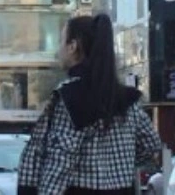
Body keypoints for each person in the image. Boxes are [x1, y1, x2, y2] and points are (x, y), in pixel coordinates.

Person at [17, 13, 163, 195]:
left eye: (61, 41)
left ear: (73, 46)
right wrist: (121, 167)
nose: (59, 49)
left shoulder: (70, 98)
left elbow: (61, 161)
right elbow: (150, 144)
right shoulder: (126, 99)